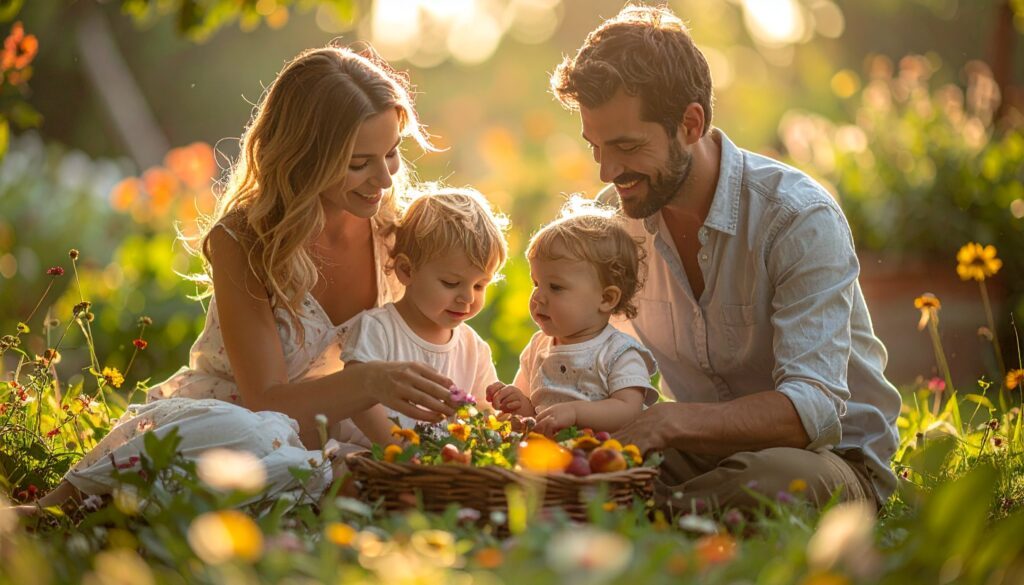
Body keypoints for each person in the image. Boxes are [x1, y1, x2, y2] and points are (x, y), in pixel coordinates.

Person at [15, 45, 458, 514]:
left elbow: (443, 334)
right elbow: (266, 401)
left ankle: (308, 487)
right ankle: (69, 509)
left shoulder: (398, 234)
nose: (384, 180)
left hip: (340, 435)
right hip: (235, 427)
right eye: (357, 163)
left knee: (380, 467)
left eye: (390, 154)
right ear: (305, 155)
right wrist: (370, 383)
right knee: (252, 436)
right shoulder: (246, 240)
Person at [550, 5, 902, 512]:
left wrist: (672, 421)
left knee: (769, 479)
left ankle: (633, 518)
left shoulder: (797, 219)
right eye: (596, 146)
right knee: (566, 457)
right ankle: (635, 512)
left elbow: (813, 410)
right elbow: (595, 351)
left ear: (691, 123)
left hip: (828, 458)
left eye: (626, 146)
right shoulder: (619, 226)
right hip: (695, 453)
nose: (607, 171)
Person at [341, 187, 507, 445]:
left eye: (479, 285)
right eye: (451, 283)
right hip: (373, 458)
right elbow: (357, 399)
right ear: (407, 270)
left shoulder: (473, 348)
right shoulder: (377, 329)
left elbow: (484, 412)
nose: (468, 298)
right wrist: (399, 450)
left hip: (440, 467)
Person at [487, 197, 658, 437]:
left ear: (607, 298)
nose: (538, 297)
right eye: (536, 283)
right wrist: (517, 404)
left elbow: (628, 412)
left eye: (555, 287)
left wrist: (576, 413)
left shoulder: (618, 352)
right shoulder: (539, 347)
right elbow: (531, 412)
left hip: (599, 460)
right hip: (545, 459)